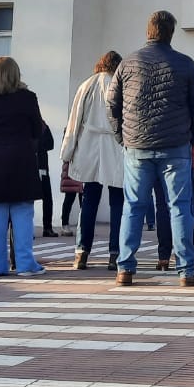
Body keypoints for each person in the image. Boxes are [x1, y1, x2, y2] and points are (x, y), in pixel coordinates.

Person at [107, 10, 194, 287]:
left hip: (136, 145)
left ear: (148, 31)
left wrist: (122, 136)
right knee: (179, 207)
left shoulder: (127, 63)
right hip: (175, 146)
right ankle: (186, 270)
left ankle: (124, 268)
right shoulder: (185, 64)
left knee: (133, 207)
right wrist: (192, 137)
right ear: (171, 33)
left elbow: (111, 104)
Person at [0, 55, 47, 277]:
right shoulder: (28, 98)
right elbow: (37, 129)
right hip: (21, 158)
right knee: (22, 211)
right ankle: (25, 263)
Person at [62, 51, 125, 270]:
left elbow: (74, 120)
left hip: (89, 145)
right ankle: (115, 254)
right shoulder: (121, 84)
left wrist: (67, 152)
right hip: (116, 146)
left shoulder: (86, 85)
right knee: (118, 201)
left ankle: (81, 252)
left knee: (89, 200)